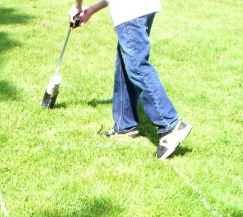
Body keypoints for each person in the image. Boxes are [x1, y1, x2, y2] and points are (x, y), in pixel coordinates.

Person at [70, 0, 191, 160]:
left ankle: (170, 125)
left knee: (136, 66)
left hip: (129, 9)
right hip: (142, 7)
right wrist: (93, 9)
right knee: (125, 64)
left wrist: (77, 7)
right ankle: (124, 126)